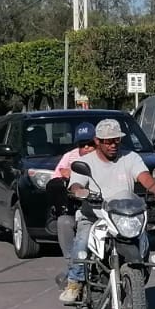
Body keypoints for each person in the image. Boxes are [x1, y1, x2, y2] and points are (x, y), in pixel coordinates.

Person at [62, 118, 155, 304]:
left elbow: (145, 177)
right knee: (81, 243)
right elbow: (76, 183)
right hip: (94, 216)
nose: (113, 145)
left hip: (123, 216)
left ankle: (138, 274)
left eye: (117, 140)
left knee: (143, 239)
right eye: (108, 141)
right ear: (97, 141)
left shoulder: (131, 158)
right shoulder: (85, 161)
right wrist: (78, 190)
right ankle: (74, 282)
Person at [51, 122, 97, 286]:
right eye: (82, 145)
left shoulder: (105, 157)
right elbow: (58, 176)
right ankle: (74, 268)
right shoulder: (70, 157)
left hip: (105, 208)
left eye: (90, 144)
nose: (87, 148)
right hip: (79, 207)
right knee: (64, 222)